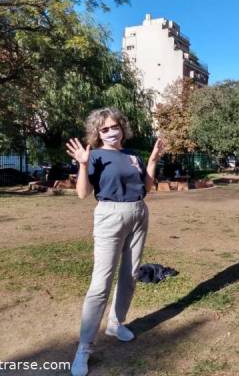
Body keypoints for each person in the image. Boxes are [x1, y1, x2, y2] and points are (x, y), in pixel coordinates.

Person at [66, 107, 164, 376]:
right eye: (104, 129)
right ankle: (84, 348)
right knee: (101, 283)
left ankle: (116, 323)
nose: (111, 132)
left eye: (114, 127)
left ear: (123, 127)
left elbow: (147, 188)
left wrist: (153, 160)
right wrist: (83, 165)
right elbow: (82, 194)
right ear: (97, 133)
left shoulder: (133, 155)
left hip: (138, 212)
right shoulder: (94, 156)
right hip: (109, 215)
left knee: (130, 275)